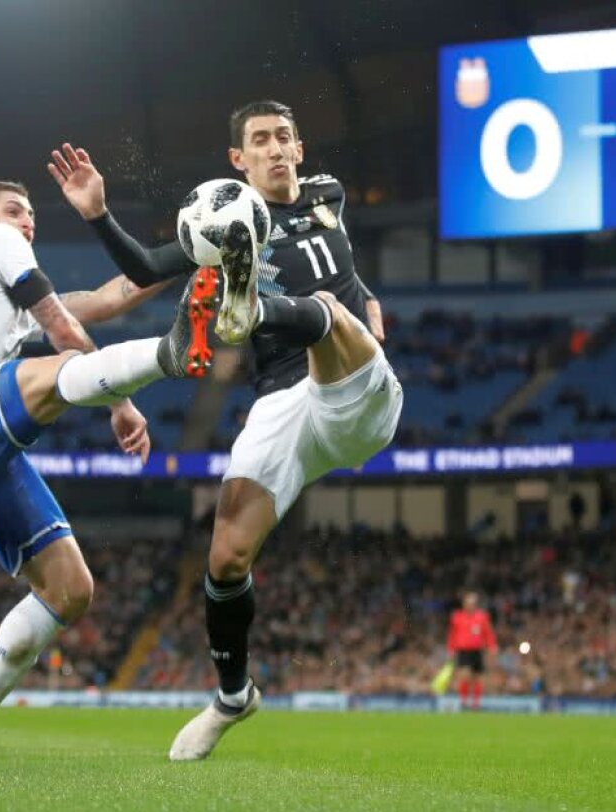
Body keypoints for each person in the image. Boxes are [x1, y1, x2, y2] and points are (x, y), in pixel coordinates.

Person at [47, 99, 403, 760]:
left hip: (357, 390)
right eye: (259, 141)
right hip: (282, 404)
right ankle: (232, 695)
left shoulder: (329, 194)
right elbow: (147, 271)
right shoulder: (222, 219)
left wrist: (368, 298)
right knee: (225, 557)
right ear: (237, 160)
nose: (274, 149)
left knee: (327, 309)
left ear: (299, 149)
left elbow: (337, 271)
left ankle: (250, 310)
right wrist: (97, 212)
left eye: (283, 138)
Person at [0, 180, 217, 756]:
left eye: (31, 215)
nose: (26, 222)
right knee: (57, 365)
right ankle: (167, 354)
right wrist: (122, 402)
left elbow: (108, 299)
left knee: (69, 590)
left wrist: (196, 249)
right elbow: (61, 327)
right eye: (13, 211)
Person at [447, 590, 498, 710]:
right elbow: (452, 635)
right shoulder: (457, 617)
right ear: (464, 604)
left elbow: (488, 633)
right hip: (464, 651)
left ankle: (476, 704)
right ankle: (464, 702)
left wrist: (492, 646)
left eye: (473, 603)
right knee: (465, 675)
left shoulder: (482, 617)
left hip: (477, 651)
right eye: (468, 603)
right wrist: (451, 649)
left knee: (477, 678)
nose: (471, 605)